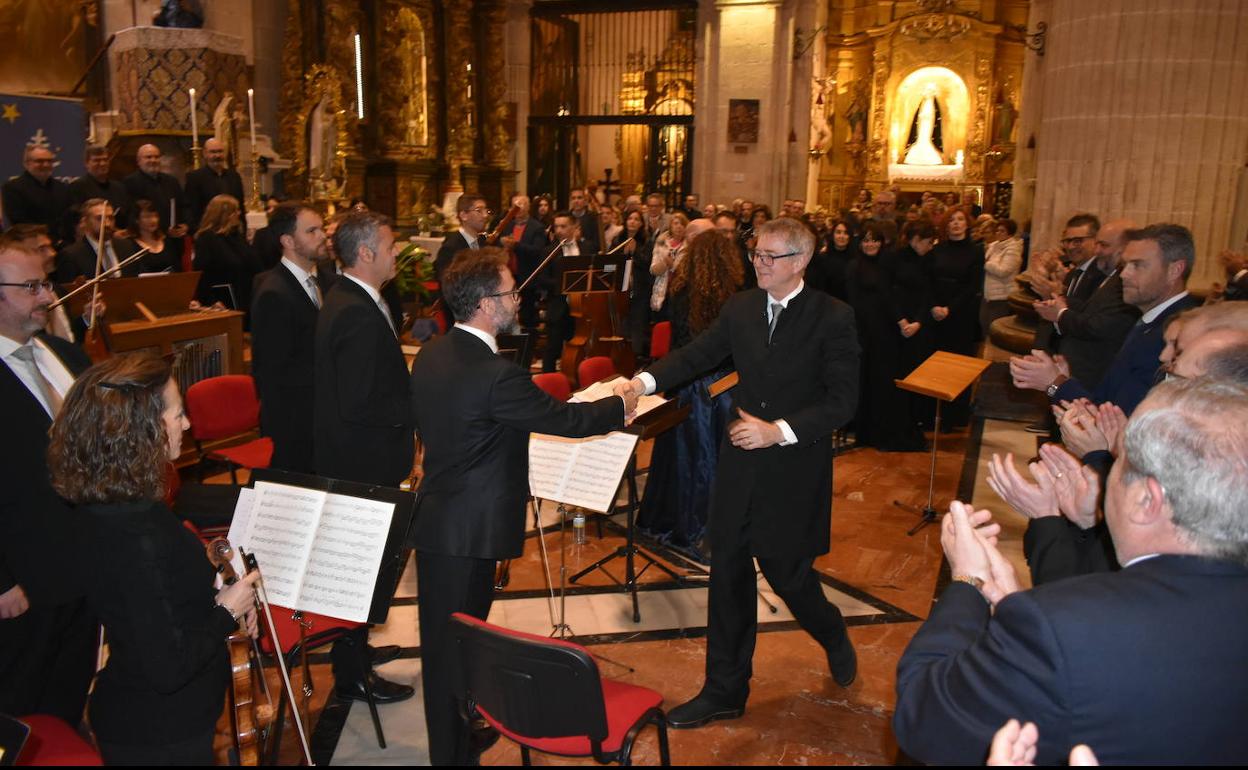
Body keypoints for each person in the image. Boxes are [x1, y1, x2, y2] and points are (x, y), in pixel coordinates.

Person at [894, 377, 1248, 765]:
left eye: (1116, 464)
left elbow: (924, 716)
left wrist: (967, 581)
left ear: (1147, 499)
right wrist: (1017, 598)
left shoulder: (1059, 628)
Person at [614, 217, 860, 728]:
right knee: (727, 573)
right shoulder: (742, 307)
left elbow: (843, 401)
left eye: (771, 257)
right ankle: (724, 689)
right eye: (756, 255)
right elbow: (697, 355)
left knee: (788, 575)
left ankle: (831, 629)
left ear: (800, 262)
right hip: (741, 464)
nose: (759, 265)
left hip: (792, 464)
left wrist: (780, 430)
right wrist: (642, 381)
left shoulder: (832, 317)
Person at [409, 247, 632, 765]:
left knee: (454, 650)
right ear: (487, 305)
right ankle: (451, 757)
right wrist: (620, 405)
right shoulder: (495, 374)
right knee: (451, 657)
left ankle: (464, 730)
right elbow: (568, 421)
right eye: (511, 291)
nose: (518, 298)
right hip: (467, 534)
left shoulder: (434, 353)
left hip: (444, 522)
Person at [46, 351, 258, 764]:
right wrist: (227, 610)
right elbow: (167, 668)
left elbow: (156, 599)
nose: (188, 425)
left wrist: (216, 589)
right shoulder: (135, 530)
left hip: (157, 720)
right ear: (140, 428)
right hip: (160, 733)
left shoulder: (115, 502)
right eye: (178, 415)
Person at [313, 209, 414, 703]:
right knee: (362, 569)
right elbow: (360, 402)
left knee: (366, 567)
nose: (398, 253)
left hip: (359, 459)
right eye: (392, 245)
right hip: (361, 463)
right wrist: (417, 404)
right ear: (368, 253)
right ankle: (351, 673)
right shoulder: (353, 309)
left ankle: (356, 651)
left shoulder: (354, 298)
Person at [0, 243, 96, 727]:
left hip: (86, 562)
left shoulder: (63, 353)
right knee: (22, 702)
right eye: (31, 287)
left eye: (46, 283)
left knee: (68, 693)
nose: (46, 296)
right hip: (25, 576)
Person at [1011, 224, 1201, 416]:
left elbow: (1123, 421)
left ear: (1175, 270)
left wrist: (1055, 384)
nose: (1124, 274)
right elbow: (1111, 396)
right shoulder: (1151, 320)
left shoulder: (1180, 332)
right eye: (1124, 265)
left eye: (1137, 265)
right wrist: (1065, 379)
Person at [638, 230, 743, 554]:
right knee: (714, 462)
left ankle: (673, 521)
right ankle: (713, 527)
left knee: (682, 462)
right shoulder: (737, 294)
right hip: (725, 387)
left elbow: (680, 345)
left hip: (689, 384)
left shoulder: (680, 289)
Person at [250, 202, 329, 473]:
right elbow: (274, 372)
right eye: (312, 231)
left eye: (321, 228)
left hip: (321, 416)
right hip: (295, 420)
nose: (322, 236)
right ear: (288, 241)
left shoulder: (326, 281)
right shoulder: (274, 292)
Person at [1032, 219, 1139, 390]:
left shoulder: (1122, 283)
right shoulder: (1108, 277)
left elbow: (1099, 325)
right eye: (1067, 241)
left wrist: (1060, 312)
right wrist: (1059, 302)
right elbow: (1086, 310)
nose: (1097, 251)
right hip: (1069, 369)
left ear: (1126, 248)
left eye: (1103, 245)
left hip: (1092, 375)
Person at [848, 224, 925, 451]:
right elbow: (854, 300)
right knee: (867, 381)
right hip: (865, 331)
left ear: (882, 243)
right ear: (860, 243)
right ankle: (867, 431)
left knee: (885, 381)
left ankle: (885, 430)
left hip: (887, 331)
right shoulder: (854, 266)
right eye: (866, 240)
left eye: (875, 240)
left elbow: (893, 295)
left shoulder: (888, 264)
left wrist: (900, 320)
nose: (870, 244)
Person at [927, 207, 984, 428]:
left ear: (967, 224)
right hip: (936, 313)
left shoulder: (976, 251)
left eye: (960, 219)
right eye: (952, 220)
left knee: (958, 366)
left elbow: (973, 286)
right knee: (936, 365)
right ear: (946, 225)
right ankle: (935, 414)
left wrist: (950, 308)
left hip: (961, 314)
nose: (956, 223)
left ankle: (956, 416)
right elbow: (929, 280)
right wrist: (934, 306)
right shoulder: (937, 249)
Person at [192, 194, 260, 314]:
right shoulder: (207, 239)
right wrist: (211, 300)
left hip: (247, 297)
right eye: (235, 211)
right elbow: (202, 275)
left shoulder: (236, 235)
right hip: (224, 302)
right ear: (223, 215)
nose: (239, 213)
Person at [54, 198, 142, 283]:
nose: (107, 224)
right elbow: (67, 292)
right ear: (85, 221)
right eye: (99, 218)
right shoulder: (71, 255)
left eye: (110, 218)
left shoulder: (127, 246)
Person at [2, 146, 72, 242]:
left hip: (62, 244)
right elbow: (19, 222)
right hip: (30, 244)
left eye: (49, 161)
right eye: (40, 161)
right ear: (26, 164)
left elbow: (68, 217)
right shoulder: (12, 188)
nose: (46, 164)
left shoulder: (62, 187)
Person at [611, 206, 653, 357]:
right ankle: (620, 357)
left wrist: (636, 252)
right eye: (630, 219)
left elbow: (648, 264)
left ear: (641, 223)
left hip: (640, 290)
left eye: (636, 219)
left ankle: (635, 358)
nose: (633, 222)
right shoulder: (618, 239)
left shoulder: (647, 241)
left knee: (637, 325)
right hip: (620, 289)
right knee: (621, 325)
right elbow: (610, 263)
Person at [123, 144, 188, 237]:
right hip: (146, 237)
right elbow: (131, 213)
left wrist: (185, 225)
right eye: (148, 157)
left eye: (156, 157)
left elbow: (184, 206)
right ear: (138, 161)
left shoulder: (171, 181)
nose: (153, 160)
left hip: (173, 237)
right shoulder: (130, 182)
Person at [184, 137, 245, 232]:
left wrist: (243, 230)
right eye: (213, 152)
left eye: (220, 151)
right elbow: (191, 209)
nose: (217, 155)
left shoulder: (234, 176)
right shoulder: (195, 178)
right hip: (208, 232)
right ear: (205, 154)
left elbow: (240, 205)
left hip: (233, 231)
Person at [67, 145, 132, 234]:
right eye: (97, 160)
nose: (102, 163)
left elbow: (127, 215)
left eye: (105, 160)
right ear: (86, 163)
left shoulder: (119, 187)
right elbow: (78, 221)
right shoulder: (77, 187)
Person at [435, 194, 489, 289]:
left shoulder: (483, 242)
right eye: (479, 210)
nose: (485, 215)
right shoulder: (451, 247)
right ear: (464, 215)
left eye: (486, 210)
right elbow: (448, 285)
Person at [981, 218, 1023, 334]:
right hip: (988, 294)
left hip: (1002, 295)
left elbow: (1003, 271)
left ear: (1010, 233)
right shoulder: (993, 246)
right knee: (984, 324)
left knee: (994, 328)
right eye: (997, 231)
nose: (998, 233)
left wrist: (987, 263)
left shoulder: (1013, 249)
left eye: (1002, 231)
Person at [126, 197, 187, 274]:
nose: (153, 220)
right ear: (136, 220)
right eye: (147, 217)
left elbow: (178, 267)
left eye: (155, 216)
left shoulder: (167, 240)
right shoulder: (130, 245)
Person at [648, 211, 689, 317]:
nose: (679, 227)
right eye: (676, 223)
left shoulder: (689, 246)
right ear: (670, 226)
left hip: (680, 291)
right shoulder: (661, 243)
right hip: (663, 290)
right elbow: (653, 270)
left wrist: (673, 266)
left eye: (682, 224)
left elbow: (687, 272)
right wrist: (665, 263)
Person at [808, 219, 853, 301]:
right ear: (833, 235)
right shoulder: (822, 258)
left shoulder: (854, 259)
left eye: (846, 233)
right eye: (838, 232)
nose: (841, 236)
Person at [568, 188, 600, 254]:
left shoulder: (593, 218)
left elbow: (597, 245)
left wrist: (581, 239)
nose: (576, 201)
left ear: (585, 201)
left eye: (579, 198)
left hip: (586, 255)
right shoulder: (565, 217)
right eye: (573, 198)